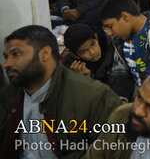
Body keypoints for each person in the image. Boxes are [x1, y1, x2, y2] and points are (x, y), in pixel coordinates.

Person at [0, 25, 121, 156]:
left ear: (45, 54)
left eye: (16, 54)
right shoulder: (7, 98)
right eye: (6, 57)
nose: (7, 64)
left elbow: (115, 148)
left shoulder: (94, 96)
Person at [62, 24, 132, 99]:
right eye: (83, 51)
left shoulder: (113, 45)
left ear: (96, 37)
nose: (92, 52)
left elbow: (121, 78)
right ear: (75, 55)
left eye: (92, 44)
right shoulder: (71, 65)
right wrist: (82, 80)